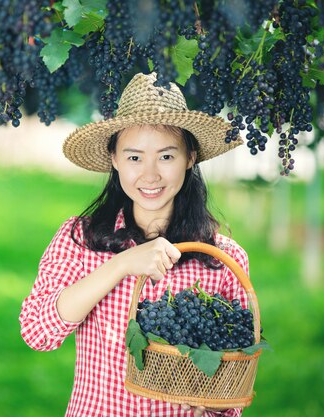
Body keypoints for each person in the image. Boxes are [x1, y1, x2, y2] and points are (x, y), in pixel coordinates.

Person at [19, 72, 251, 417]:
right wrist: (121, 264)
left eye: (167, 157)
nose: (150, 174)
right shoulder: (82, 239)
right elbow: (38, 331)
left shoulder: (221, 260)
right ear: (113, 159)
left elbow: (233, 383)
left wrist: (213, 406)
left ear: (190, 157)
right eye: (134, 157)